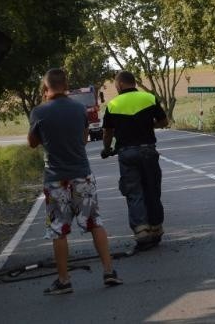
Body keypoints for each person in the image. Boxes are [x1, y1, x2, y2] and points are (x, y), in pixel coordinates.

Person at [28, 68, 122, 295]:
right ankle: (109, 271)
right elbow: (83, 139)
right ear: (66, 84)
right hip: (82, 174)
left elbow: (32, 142)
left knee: (59, 229)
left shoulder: (39, 112)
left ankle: (64, 280)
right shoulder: (80, 109)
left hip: (55, 178)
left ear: (45, 87)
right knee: (94, 222)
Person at [102, 71, 168, 250]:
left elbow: (108, 132)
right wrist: (149, 125)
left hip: (127, 154)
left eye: (116, 85)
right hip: (148, 151)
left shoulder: (113, 104)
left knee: (134, 192)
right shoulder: (149, 98)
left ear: (121, 85)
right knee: (152, 189)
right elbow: (164, 122)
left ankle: (141, 231)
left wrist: (107, 149)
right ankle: (156, 228)